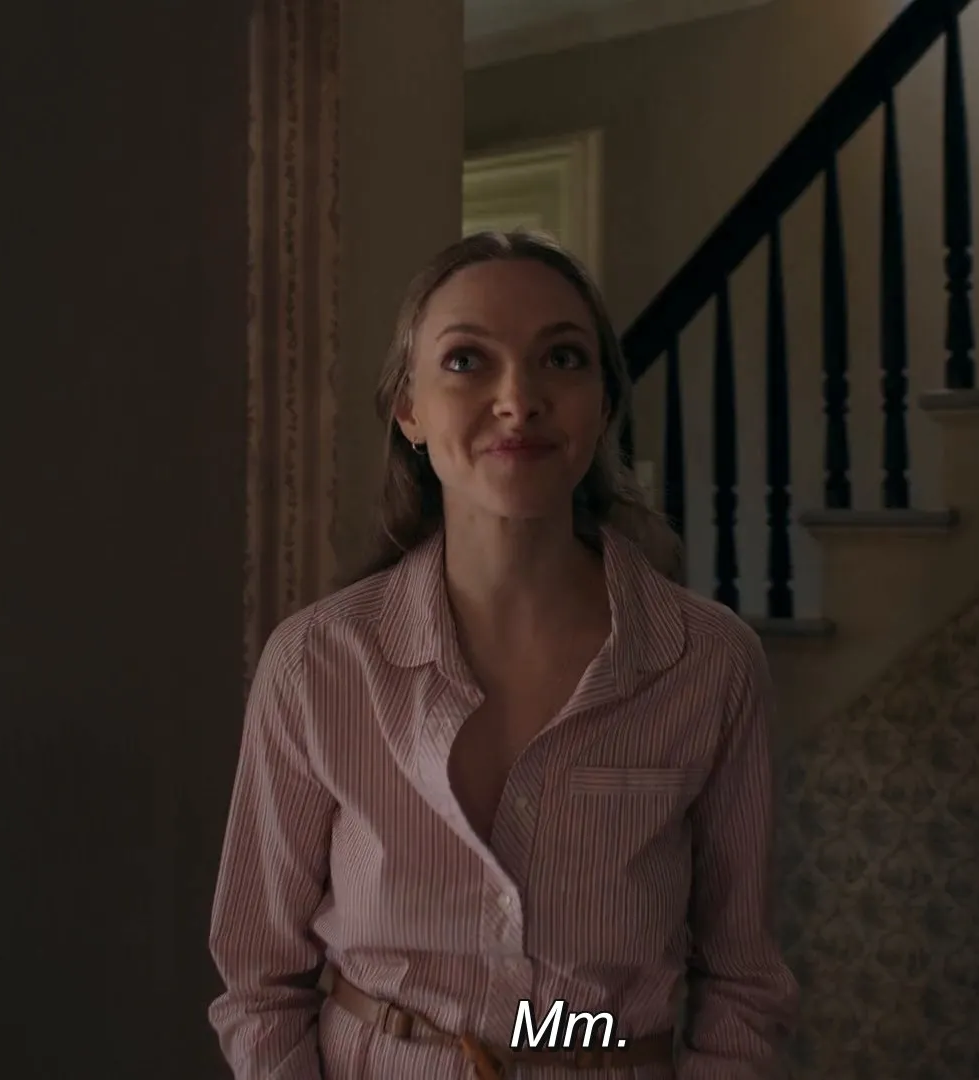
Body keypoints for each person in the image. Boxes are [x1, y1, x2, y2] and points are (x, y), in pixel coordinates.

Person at [208, 230, 798, 1078]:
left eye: (562, 358)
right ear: (408, 409)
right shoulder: (317, 664)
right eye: (466, 361)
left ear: (603, 403)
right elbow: (259, 981)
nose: (519, 399)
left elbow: (742, 982)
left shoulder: (708, 665)